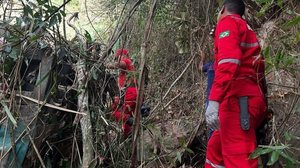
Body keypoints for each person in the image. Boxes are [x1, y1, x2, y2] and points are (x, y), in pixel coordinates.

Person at [205, 0, 267, 167]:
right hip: (250, 99)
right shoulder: (245, 28)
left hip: (238, 102)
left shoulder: (228, 22)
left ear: (223, 9)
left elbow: (228, 62)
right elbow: (259, 70)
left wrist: (214, 100)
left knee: (238, 157)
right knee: (215, 149)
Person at [106, 48, 137, 137]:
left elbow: (119, 65)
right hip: (131, 93)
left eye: (118, 57)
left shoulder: (126, 61)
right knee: (126, 114)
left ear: (122, 55)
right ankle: (129, 134)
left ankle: (133, 122)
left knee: (115, 111)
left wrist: (106, 65)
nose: (117, 59)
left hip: (130, 93)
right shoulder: (126, 69)